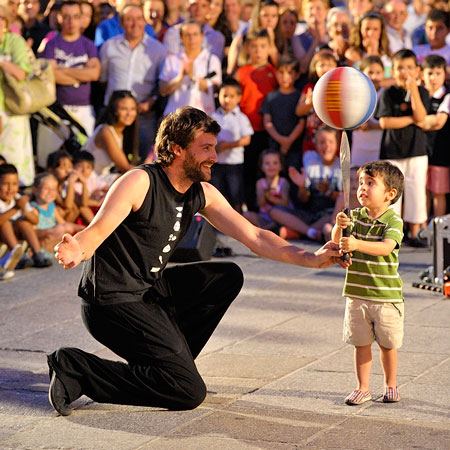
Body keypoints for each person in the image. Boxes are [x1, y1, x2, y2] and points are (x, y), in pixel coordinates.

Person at [49, 106, 347, 416]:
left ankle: (165, 364)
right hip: (109, 303)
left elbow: (255, 236)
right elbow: (95, 233)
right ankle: (76, 367)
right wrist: (76, 249)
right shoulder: (139, 182)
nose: (215, 157)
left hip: (146, 292)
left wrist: (312, 258)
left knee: (226, 277)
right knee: (188, 392)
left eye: (214, 148)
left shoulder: (201, 192)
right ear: (177, 149)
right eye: (206, 148)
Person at [332, 161, 405, 405]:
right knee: (360, 344)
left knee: (387, 344)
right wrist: (339, 227)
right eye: (361, 183)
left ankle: (390, 384)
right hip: (356, 293)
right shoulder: (355, 216)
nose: (362, 188)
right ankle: (362, 387)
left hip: (385, 296)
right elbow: (337, 241)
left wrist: (356, 244)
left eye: (370, 183)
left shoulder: (394, 221)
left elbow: (385, 248)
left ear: (390, 194)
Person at [375, 49, 429, 245]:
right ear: (393, 71)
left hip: (416, 150)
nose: (405, 72)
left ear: (417, 70)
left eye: (409, 68)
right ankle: (393, 233)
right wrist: (411, 119)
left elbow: (421, 116)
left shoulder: (421, 92)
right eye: (400, 68)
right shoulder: (388, 93)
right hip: (392, 150)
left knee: (416, 190)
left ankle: (415, 232)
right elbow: (385, 122)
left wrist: (413, 89)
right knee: (391, 192)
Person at [99, 3, 166, 159]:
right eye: (129, 19)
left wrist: (151, 100)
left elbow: (161, 83)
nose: (135, 24)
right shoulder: (109, 47)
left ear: (145, 21)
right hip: (113, 114)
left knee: (144, 160)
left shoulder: (157, 49)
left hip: (143, 114)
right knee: (109, 159)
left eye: (139, 19)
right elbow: (102, 80)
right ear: (121, 23)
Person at [270, 126, 343, 241]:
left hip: (328, 214)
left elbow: (343, 199)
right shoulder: (310, 160)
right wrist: (302, 186)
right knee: (275, 211)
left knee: (336, 217)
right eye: (322, 142)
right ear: (315, 144)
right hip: (309, 213)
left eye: (330, 142)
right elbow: (303, 199)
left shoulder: (341, 166)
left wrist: (328, 192)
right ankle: (310, 232)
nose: (326, 146)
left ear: (337, 144)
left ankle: (301, 232)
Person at [41, 0, 101, 136]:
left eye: (75, 16)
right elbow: (51, 76)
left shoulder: (89, 45)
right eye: (66, 16)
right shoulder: (51, 45)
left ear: (81, 19)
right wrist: (82, 74)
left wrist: (62, 69)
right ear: (59, 18)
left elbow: (94, 74)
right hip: (58, 110)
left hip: (84, 110)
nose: (71, 21)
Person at [237, 29, 278, 211]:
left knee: (265, 168)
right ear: (247, 49)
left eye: (263, 46)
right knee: (247, 169)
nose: (259, 51)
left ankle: (266, 207)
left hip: (267, 129)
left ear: (269, 48)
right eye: (254, 47)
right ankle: (249, 207)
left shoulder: (274, 72)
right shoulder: (242, 72)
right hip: (247, 128)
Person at [0, 4, 35, 187]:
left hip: (11, 110)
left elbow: (22, 74)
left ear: (6, 21)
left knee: (13, 167)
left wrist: (2, 62)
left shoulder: (15, 41)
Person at [159, 19, 222, 116]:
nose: (192, 39)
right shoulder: (171, 59)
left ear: (202, 36)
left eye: (195, 34)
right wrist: (180, 78)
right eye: (187, 35)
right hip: (175, 117)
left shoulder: (212, 60)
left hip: (203, 117)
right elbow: (162, 90)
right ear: (181, 38)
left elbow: (215, 89)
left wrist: (194, 77)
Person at [210, 78, 253, 212]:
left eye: (231, 96)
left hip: (234, 164)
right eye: (225, 96)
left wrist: (228, 145)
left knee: (236, 195)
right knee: (217, 194)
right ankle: (217, 226)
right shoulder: (213, 116)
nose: (227, 100)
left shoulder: (241, 118)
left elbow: (247, 139)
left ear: (239, 97)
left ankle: (237, 223)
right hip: (216, 163)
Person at [0, 164, 53, 270]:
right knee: (5, 223)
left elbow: (35, 220)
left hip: (16, 233)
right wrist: (16, 208)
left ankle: (37, 254)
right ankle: (17, 256)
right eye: (5, 184)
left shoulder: (18, 198)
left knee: (23, 222)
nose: (10, 188)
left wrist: (24, 209)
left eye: (14, 184)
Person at [260, 55, 304, 172]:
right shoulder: (271, 97)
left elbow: (301, 122)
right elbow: (267, 121)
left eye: (289, 73)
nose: (285, 77)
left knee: (293, 173)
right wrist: (281, 140)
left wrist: (289, 140)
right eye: (281, 72)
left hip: (295, 147)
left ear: (297, 75)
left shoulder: (299, 96)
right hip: (274, 147)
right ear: (275, 73)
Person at [420, 54, 450, 218]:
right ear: (422, 74)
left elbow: (439, 122)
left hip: (441, 153)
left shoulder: (447, 95)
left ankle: (437, 230)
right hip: (421, 152)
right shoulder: (419, 95)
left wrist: (415, 121)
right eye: (430, 73)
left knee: (438, 192)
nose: (433, 78)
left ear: (445, 74)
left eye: (438, 73)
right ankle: (423, 229)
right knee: (423, 191)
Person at [84, 90, 138, 175]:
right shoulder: (105, 131)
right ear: (114, 110)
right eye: (124, 109)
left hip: (103, 177)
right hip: (91, 179)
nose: (129, 113)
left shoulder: (123, 132)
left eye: (132, 109)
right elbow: (124, 166)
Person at [30, 172, 84, 252]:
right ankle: (36, 254)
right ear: (35, 190)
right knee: (60, 229)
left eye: (54, 189)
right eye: (46, 188)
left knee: (64, 228)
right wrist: (52, 231)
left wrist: (80, 228)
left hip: (52, 240)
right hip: (40, 242)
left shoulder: (52, 206)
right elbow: (32, 232)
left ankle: (86, 231)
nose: (50, 192)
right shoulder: (33, 208)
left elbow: (63, 224)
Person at [226, 0, 280, 76]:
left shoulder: (281, 35)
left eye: (274, 16)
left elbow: (281, 67)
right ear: (258, 15)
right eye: (265, 15)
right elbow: (232, 69)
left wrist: (271, 43)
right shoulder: (245, 34)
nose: (270, 20)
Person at [244, 149, 291, 229]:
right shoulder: (260, 183)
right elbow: (260, 204)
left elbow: (285, 202)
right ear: (261, 167)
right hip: (265, 216)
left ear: (281, 166)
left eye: (275, 163)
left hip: (281, 216)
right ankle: (269, 227)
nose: (271, 166)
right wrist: (265, 194)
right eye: (267, 163)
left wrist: (271, 198)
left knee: (280, 218)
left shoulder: (283, 182)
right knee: (247, 214)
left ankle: (271, 228)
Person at [350, 55, 384, 166]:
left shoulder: (387, 93)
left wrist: (372, 125)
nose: (374, 76)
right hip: (359, 146)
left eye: (378, 72)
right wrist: (358, 124)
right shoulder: (355, 93)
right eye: (370, 72)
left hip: (380, 146)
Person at [345, 11, 392, 79]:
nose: (370, 33)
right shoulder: (352, 54)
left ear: (381, 31)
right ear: (360, 30)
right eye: (367, 29)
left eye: (375, 29)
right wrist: (371, 51)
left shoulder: (389, 54)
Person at [292, 0, 329, 75]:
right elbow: (303, 67)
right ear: (304, 13)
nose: (314, 12)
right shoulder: (297, 39)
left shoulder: (332, 35)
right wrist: (316, 41)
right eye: (310, 8)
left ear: (326, 11)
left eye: (318, 8)